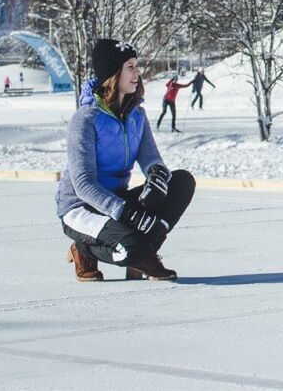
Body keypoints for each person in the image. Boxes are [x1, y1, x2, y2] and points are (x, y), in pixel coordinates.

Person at [55, 39, 196, 282]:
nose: (137, 73)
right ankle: (83, 249)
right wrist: (127, 213)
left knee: (182, 181)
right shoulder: (85, 119)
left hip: (118, 203)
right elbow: (84, 184)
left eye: (137, 66)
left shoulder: (136, 115)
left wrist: (157, 177)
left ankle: (145, 255)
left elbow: (151, 158)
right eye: (130, 66)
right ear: (113, 73)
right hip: (82, 208)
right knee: (132, 247)